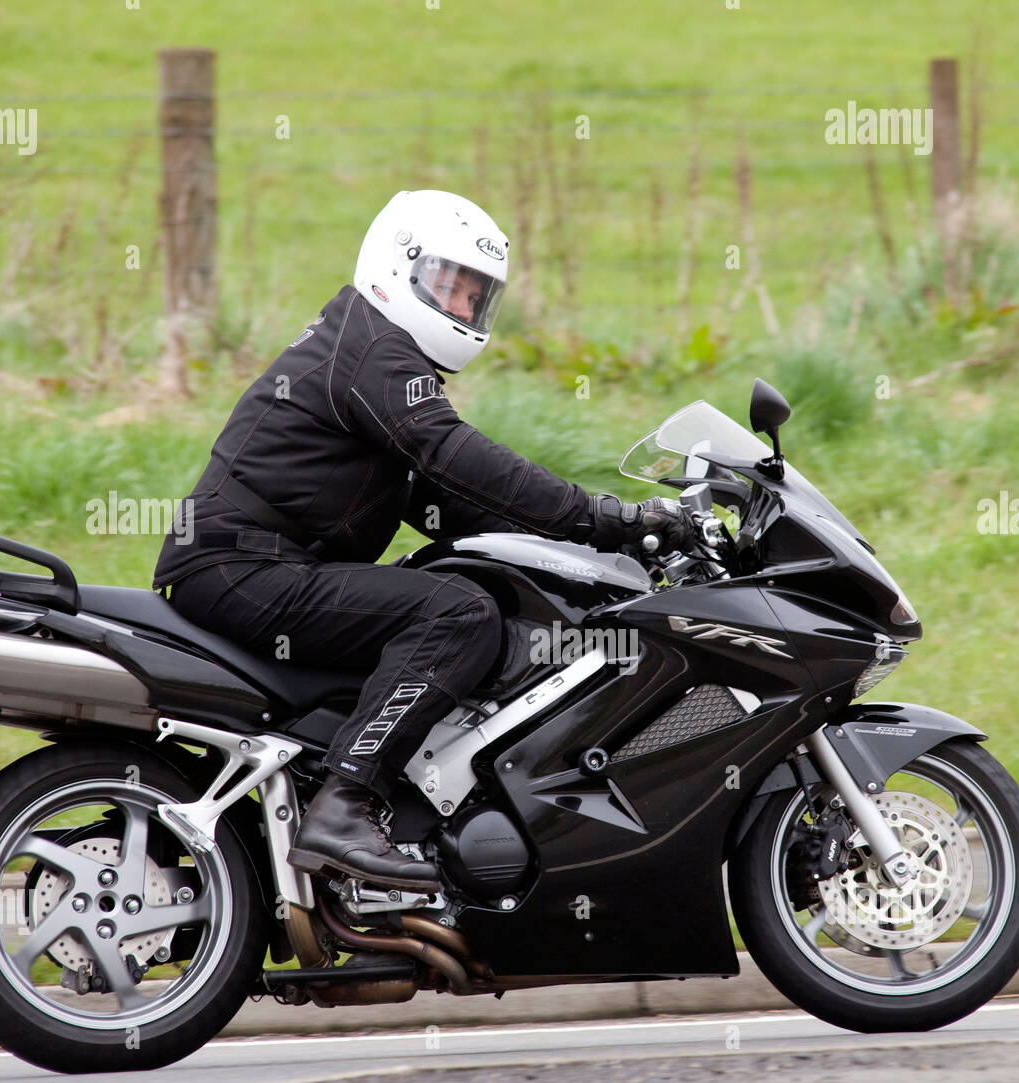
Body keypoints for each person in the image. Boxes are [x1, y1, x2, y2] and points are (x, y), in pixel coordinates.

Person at [152, 189, 694, 893]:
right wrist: (607, 515)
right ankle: (343, 805)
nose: (463, 310)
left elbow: (445, 505)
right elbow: (452, 455)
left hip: (250, 566)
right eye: (450, 286)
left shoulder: (366, 348)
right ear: (395, 265)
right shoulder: (374, 350)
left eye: (477, 298)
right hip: (241, 567)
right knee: (457, 613)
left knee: (473, 588)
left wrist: (595, 558)